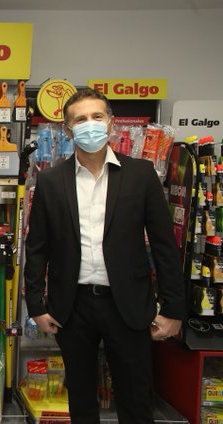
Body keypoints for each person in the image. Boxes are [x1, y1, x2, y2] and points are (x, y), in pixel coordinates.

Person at [24, 88, 186, 423]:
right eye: (80, 119)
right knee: (81, 399)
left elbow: (164, 246)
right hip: (73, 306)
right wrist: (36, 306)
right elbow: (37, 246)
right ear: (68, 130)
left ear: (110, 123)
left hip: (127, 303)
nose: (90, 124)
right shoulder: (51, 181)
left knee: (136, 399)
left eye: (97, 116)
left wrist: (173, 308)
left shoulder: (141, 174)